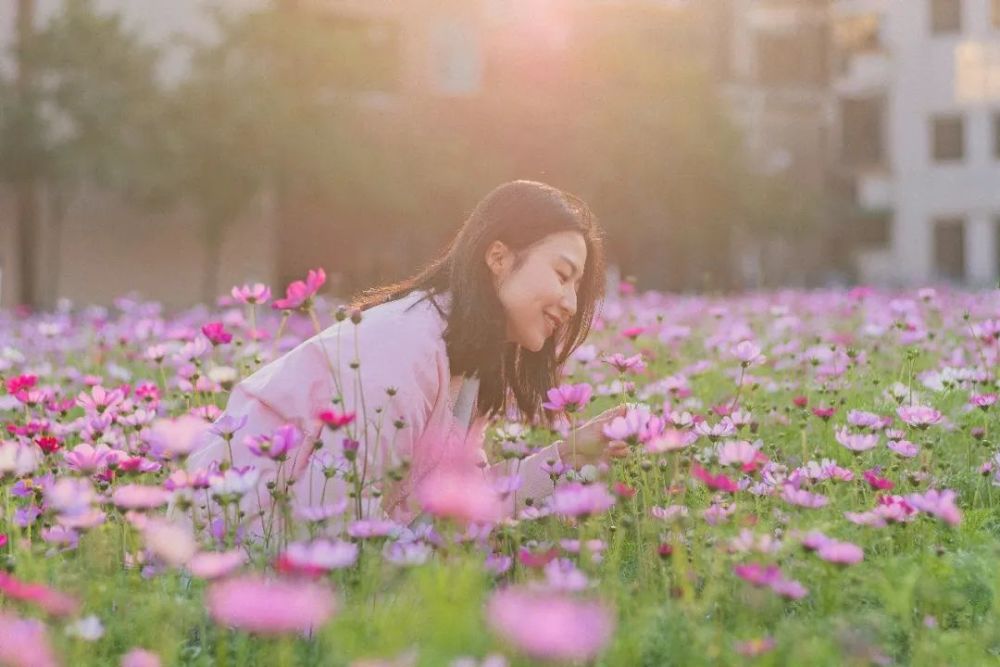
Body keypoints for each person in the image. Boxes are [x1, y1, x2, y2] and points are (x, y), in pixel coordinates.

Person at [189, 180, 626, 528]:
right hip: (230, 566)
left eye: (576, 288)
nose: (570, 304)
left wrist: (571, 454)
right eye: (562, 275)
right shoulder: (403, 349)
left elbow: (462, 513)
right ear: (498, 257)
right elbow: (325, 524)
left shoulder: (465, 364)